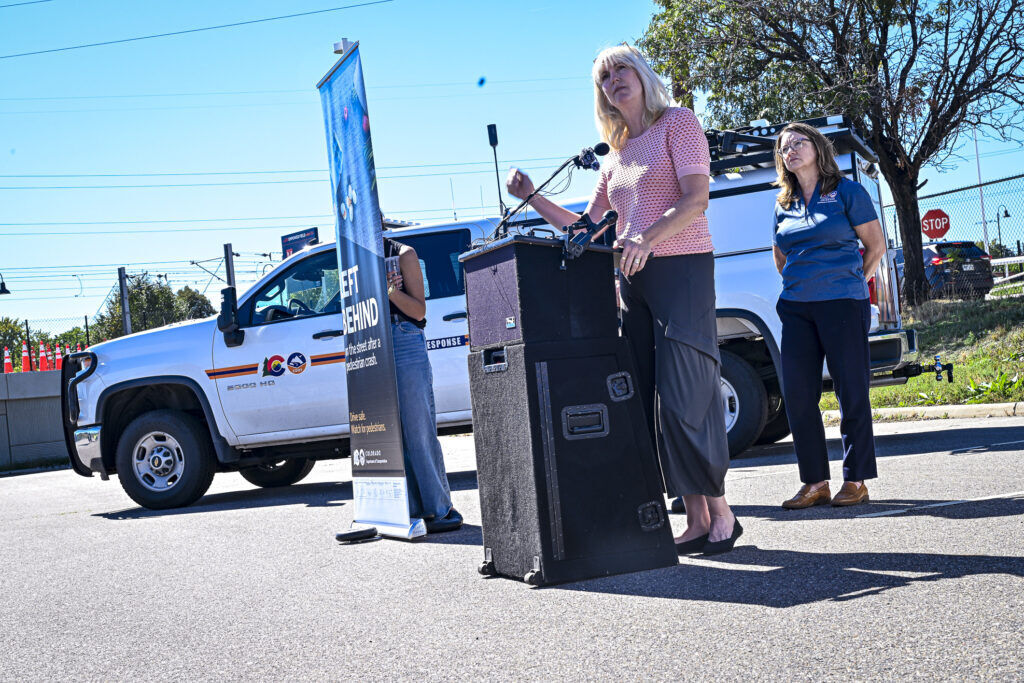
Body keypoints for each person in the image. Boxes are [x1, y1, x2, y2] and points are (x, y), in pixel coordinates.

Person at [505, 44, 741, 556]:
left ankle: (723, 512)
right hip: (634, 281)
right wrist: (532, 198)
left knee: (688, 395)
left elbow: (695, 199)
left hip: (682, 269)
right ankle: (696, 518)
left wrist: (646, 238)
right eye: (604, 77)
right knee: (652, 401)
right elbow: (586, 228)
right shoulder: (615, 155)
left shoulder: (678, 123)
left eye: (621, 70)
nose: (614, 81)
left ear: (641, 74)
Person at [771, 123, 886, 508]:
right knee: (799, 395)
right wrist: (800, 287)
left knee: (851, 391)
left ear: (818, 148)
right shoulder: (782, 204)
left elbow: (875, 245)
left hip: (843, 304)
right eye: (784, 147)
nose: (791, 150)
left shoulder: (847, 192)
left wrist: (852, 281)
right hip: (797, 309)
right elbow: (781, 257)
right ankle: (815, 482)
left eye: (798, 142)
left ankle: (855, 480)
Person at [384, 237, 463, 532]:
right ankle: (406, 508)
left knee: (417, 427)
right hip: (369, 344)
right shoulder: (354, 263)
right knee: (387, 433)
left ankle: (439, 509)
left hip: (402, 336)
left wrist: (389, 290)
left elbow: (419, 312)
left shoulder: (403, 254)